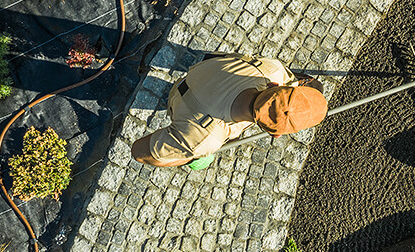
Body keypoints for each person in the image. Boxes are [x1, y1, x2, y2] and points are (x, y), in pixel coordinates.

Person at [131, 53, 328, 169]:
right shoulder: (204, 140)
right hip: (177, 101)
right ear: (275, 134)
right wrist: (189, 156)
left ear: (275, 84)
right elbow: (139, 152)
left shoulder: (273, 69)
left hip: (200, 73)